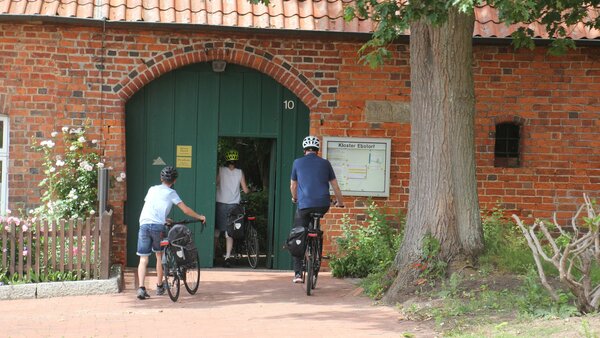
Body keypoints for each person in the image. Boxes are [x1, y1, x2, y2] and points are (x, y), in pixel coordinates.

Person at [136, 166, 206, 300]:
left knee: (143, 258)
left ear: (161, 178)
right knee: (159, 256)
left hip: (144, 224)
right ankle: (159, 286)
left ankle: (141, 288)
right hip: (157, 227)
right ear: (174, 181)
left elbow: (152, 207)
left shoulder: (152, 189)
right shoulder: (171, 193)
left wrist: (163, 219)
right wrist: (200, 217)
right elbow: (185, 210)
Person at [290, 135, 344, 283]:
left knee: (298, 233)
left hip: (304, 204)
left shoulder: (297, 162)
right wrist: (340, 202)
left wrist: (295, 198)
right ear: (317, 150)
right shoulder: (325, 163)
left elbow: (293, 186)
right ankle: (316, 249)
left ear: (304, 150)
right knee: (316, 223)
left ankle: (298, 274)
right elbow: (335, 186)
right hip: (323, 204)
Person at [215, 149, 250, 267]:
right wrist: (249, 191)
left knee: (217, 230)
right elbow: (245, 189)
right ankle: (228, 257)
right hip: (234, 205)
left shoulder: (221, 170)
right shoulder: (240, 172)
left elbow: (216, 183)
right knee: (229, 232)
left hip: (220, 202)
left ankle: (214, 254)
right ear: (236, 161)